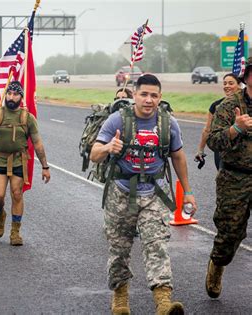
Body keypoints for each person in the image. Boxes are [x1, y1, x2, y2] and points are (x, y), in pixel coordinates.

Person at [90, 74, 196, 315]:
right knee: (119, 248)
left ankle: (163, 302)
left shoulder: (169, 123)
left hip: (154, 192)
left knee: (156, 244)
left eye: (154, 95)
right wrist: (108, 147)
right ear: (134, 95)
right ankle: (120, 298)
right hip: (121, 192)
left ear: (160, 98)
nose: (149, 100)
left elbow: (178, 156)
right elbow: (94, 153)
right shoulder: (117, 120)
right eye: (144, 94)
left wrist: (188, 192)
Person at [0, 81, 51, 246]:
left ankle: (15, 231)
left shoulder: (27, 118)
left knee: (17, 194)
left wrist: (45, 166)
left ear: (21, 96)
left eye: (15, 94)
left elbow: (38, 143)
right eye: (9, 93)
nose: (11, 97)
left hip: (19, 161)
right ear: (6, 94)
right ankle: (0, 215)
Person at [205, 58, 252, 299]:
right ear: (247, 77)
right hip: (235, 177)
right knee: (230, 233)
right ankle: (217, 265)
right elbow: (213, 141)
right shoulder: (229, 105)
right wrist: (236, 128)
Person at [195, 73, 242, 170]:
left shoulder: (246, 104)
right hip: (222, 150)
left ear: (239, 85)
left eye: (231, 83)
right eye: (225, 84)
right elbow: (207, 129)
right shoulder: (216, 106)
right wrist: (200, 150)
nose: (227, 86)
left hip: (243, 151)